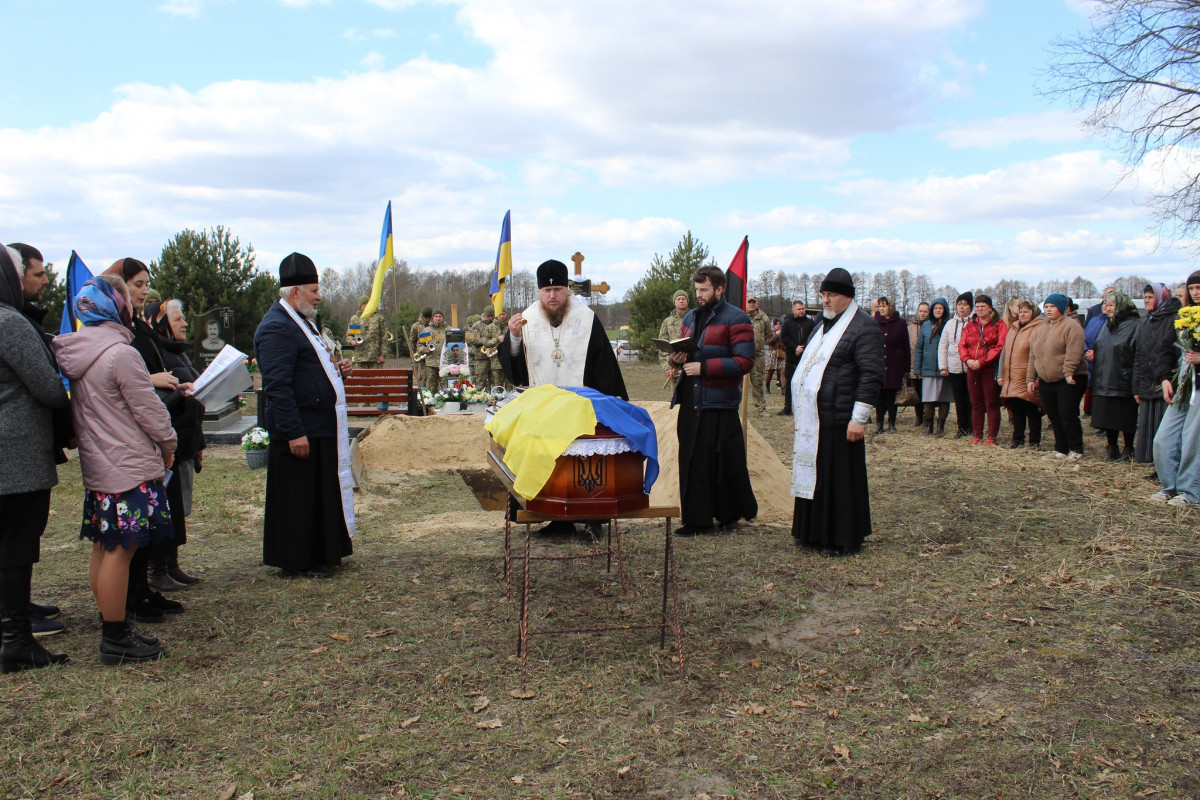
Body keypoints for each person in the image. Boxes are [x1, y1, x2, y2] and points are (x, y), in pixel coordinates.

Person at [54, 274, 174, 664]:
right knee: (121, 552)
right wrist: (169, 443)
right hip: (127, 464)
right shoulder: (121, 354)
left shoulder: (79, 352)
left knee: (105, 549)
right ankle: (115, 638)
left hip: (101, 464)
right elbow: (149, 410)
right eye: (126, 296)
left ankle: (113, 622)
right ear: (115, 306)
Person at [254, 253, 356, 578]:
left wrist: (336, 369)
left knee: (317, 495)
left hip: (319, 425)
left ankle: (322, 553)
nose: (319, 296)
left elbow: (311, 367)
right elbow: (277, 386)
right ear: (295, 292)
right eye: (314, 290)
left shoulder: (304, 323)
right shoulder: (276, 328)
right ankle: (299, 559)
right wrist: (293, 431)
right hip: (300, 430)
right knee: (300, 498)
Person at [102, 258, 190, 621]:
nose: (142, 292)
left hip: (149, 434)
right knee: (130, 530)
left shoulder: (134, 326)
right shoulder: (116, 332)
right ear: (118, 287)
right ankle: (131, 599)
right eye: (136, 285)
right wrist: (153, 381)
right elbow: (126, 378)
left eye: (144, 284)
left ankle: (144, 591)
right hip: (129, 440)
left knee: (146, 523)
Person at [0, 245, 71, 672]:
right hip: (15, 454)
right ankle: (16, 640)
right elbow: (47, 388)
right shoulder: (9, 322)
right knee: (16, 546)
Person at [789, 268, 883, 556]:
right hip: (816, 416)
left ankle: (839, 536)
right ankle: (811, 532)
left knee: (838, 479)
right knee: (815, 474)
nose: (825, 301)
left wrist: (859, 419)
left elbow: (871, 375)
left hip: (841, 417)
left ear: (847, 297)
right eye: (823, 295)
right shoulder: (823, 324)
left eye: (831, 295)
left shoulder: (863, 326)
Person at [669, 265, 757, 536]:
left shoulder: (738, 318)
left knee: (723, 461)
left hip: (720, 402)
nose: (699, 295)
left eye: (704, 289)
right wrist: (677, 358)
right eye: (697, 289)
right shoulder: (691, 318)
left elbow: (744, 361)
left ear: (719, 289)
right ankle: (697, 521)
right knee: (693, 461)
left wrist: (704, 368)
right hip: (691, 399)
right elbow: (680, 352)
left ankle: (729, 515)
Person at [501, 260, 628, 398]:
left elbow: (605, 368)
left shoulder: (587, 319)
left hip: (579, 404)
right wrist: (515, 337)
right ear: (540, 291)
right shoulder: (526, 319)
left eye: (557, 289)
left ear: (567, 290)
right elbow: (515, 373)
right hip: (539, 404)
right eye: (547, 290)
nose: (552, 295)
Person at [147, 299, 206, 586]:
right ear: (161, 323)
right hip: (167, 442)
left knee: (178, 508)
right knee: (166, 507)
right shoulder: (157, 353)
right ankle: (158, 568)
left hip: (184, 440)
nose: (184, 323)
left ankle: (171, 563)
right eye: (178, 319)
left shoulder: (176, 352)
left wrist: (198, 442)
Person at [1152, 271, 1200, 505]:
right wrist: (1164, 379)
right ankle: (1170, 487)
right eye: (1192, 289)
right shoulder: (1183, 318)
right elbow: (1165, 349)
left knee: (1193, 440)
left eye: (1199, 288)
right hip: (1182, 387)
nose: (1196, 293)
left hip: (1198, 389)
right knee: (1163, 439)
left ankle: (1191, 492)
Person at [1027, 293, 1087, 461]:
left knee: (1067, 413)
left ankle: (1076, 448)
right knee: (1053, 415)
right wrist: (1031, 378)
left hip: (1069, 379)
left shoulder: (1071, 326)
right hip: (1047, 380)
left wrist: (1069, 372)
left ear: (1061, 308)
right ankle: (1061, 448)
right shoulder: (1041, 329)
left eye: (1052, 307)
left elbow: (1073, 352)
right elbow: (1034, 355)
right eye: (1046, 307)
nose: (1048, 310)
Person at [1133, 282, 1182, 466]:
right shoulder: (1146, 321)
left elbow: (1174, 352)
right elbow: (1138, 355)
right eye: (1145, 297)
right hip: (1146, 381)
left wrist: (1169, 378)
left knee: (1164, 429)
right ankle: (1152, 463)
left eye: (1151, 297)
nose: (1146, 300)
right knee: (1148, 427)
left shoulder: (1174, 319)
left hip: (1166, 381)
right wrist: (1136, 385)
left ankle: (1165, 465)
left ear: (1162, 298)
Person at [1090, 291, 1141, 462]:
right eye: (1106, 304)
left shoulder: (1135, 325)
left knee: (1125, 416)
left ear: (1122, 305)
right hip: (1104, 376)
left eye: (1111, 305)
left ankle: (1128, 449)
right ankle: (1112, 447)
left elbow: (1136, 352)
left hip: (1123, 377)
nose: (1107, 308)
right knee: (1107, 416)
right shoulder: (1108, 325)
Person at [959, 294, 1008, 445]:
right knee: (976, 403)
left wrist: (982, 361)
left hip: (988, 369)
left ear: (990, 308)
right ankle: (977, 434)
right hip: (972, 369)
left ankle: (992, 436)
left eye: (983, 306)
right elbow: (962, 344)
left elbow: (1000, 347)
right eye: (978, 306)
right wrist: (967, 360)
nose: (980, 309)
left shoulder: (999, 325)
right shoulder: (970, 325)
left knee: (991, 403)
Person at [997, 300, 1044, 449]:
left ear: (1033, 313)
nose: (1022, 314)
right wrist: (1001, 374)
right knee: (1016, 410)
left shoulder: (1038, 328)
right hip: (1013, 376)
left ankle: (1034, 442)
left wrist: (1037, 377)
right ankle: (1017, 439)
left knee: (1031, 409)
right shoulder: (1013, 328)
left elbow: (1040, 354)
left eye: (1026, 312)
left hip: (1028, 376)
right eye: (1021, 311)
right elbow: (1005, 352)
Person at [915, 298, 953, 437]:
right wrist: (917, 369)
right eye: (936, 308)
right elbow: (919, 347)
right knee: (928, 399)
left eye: (940, 308)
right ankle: (929, 425)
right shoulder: (926, 325)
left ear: (945, 310)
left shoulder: (949, 325)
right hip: (928, 367)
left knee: (944, 398)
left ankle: (940, 427)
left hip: (945, 368)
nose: (938, 310)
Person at [872, 296, 910, 434]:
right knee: (879, 396)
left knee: (892, 397)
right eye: (880, 306)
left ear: (890, 307)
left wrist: (906, 368)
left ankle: (892, 424)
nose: (881, 308)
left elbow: (906, 346)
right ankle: (879, 424)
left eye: (884, 306)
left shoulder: (900, 323)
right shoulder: (874, 322)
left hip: (895, 365)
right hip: (879, 365)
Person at [940, 292, 974, 438]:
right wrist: (943, 366)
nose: (961, 307)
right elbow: (943, 345)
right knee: (959, 400)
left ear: (970, 307)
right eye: (959, 304)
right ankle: (961, 428)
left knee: (971, 399)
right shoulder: (950, 323)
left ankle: (972, 428)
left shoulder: (974, 322)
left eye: (965, 304)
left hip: (970, 367)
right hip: (954, 367)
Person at [779, 300, 815, 416]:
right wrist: (795, 347)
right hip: (792, 357)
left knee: (806, 383)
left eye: (803, 309)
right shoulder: (788, 323)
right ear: (793, 310)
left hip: (806, 357)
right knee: (790, 382)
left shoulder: (810, 323)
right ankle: (788, 407)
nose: (801, 311)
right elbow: (784, 337)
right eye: (799, 309)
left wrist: (803, 348)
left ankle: (805, 408)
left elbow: (813, 337)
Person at [658, 290, 689, 388]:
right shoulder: (667, 322)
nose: (681, 301)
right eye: (678, 299)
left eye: (683, 299)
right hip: (674, 369)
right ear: (674, 302)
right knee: (675, 401)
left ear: (687, 301)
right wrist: (667, 368)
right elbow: (663, 346)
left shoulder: (695, 318)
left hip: (691, 369)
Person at [466, 307, 503, 389]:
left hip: (495, 357)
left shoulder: (497, 324)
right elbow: (471, 339)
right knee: (481, 380)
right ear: (484, 315)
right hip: (481, 357)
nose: (490, 318)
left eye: (492, 316)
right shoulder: (477, 325)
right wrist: (485, 342)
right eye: (488, 316)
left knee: (495, 381)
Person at [746, 295, 770, 414]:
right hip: (741, 354)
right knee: (737, 382)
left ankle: (761, 408)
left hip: (757, 355)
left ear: (757, 304)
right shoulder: (741, 316)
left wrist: (758, 343)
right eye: (749, 302)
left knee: (758, 381)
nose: (751, 304)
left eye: (753, 302)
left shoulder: (764, 318)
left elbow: (768, 334)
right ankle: (735, 408)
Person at [908, 302, 929, 426]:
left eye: (925, 311)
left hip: (926, 367)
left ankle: (927, 417)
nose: (922, 313)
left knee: (926, 394)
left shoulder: (931, 326)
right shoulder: (910, 328)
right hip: (913, 366)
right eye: (920, 311)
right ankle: (918, 416)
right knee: (916, 393)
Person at [424, 310, 449, 394]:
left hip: (445, 363)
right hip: (431, 362)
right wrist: (424, 350)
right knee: (430, 386)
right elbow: (420, 344)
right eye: (436, 316)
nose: (438, 318)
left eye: (440, 316)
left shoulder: (449, 330)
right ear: (433, 318)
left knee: (445, 386)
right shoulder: (426, 330)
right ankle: (429, 404)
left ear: (443, 318)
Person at [408, 307, 432, 390]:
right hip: (420, 357)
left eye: (429, 318)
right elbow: (412, 342)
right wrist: (413, 356)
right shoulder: (416, 326)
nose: (427, 319)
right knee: (422, 378)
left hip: (432, 357)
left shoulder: (433, 325)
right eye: (426, 318)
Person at [764, 317, 784, 395]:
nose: (778, 326)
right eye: (776, 324)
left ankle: (783, 388)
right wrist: (776, 335)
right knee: (771, 371)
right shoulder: (770, 332)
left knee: (783, 370)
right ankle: (767, 386)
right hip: (772, 352)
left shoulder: (783, 332)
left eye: (779, 324)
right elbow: (769, 342)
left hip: (781, 352)